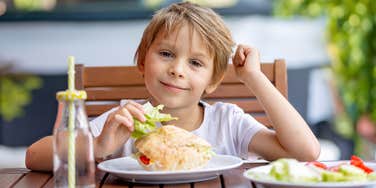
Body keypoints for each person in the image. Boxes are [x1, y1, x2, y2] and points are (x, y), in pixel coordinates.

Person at [25, 2, 320, 171]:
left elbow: (306, 152)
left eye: (195, 63)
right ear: (142, 61)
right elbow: (34, 156)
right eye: (166, 54)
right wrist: (99, 146)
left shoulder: (228, 123)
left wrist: (253, 77)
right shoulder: (127, 121)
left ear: (213, 81)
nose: (177, 70)